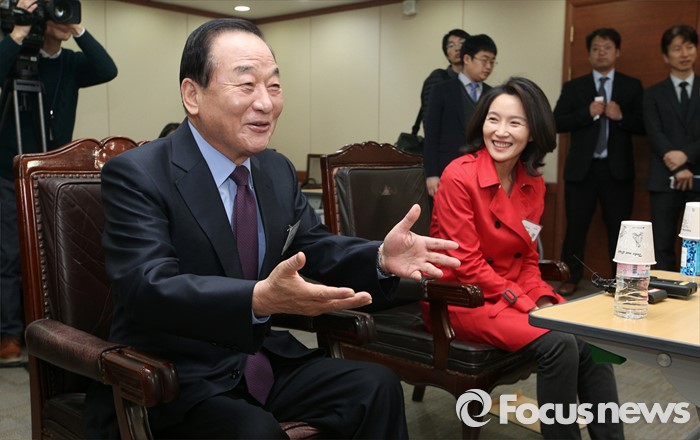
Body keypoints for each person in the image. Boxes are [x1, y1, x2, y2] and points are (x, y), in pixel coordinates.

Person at [83, 18, 460, 439]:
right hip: (171, 377)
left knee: (375, 387)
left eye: (274, 86)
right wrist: (257, 299)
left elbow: (313, 246)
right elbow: (147, 286)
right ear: (192, 95)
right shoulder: (138, 173)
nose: (266, 103)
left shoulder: (275, 169)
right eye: (246, 85)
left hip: (257, 358)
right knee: (254, 432)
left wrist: (379, 257)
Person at [423, 77, 624, 440]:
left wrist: (542, 298)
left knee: (593, 340)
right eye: (493, 119)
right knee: (560, 342)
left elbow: (528, 259)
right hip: (461, 300)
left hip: (508, 295)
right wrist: (526, 302)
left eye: (514, 122)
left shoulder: (532, 183)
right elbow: (467, 266)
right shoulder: (459, 176)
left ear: (533, 132)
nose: (500, 132)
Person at [0, 0, 117, 365]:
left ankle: (55, 327)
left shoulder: (71, 64)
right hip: (9, 171)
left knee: (54, 252)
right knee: (9, 256)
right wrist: (19, 31)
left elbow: (108, 68)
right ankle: (8, 333)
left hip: (54, 173)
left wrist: (77, 28)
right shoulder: (17, 55)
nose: (61, 16)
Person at [553, 28, 645, 295]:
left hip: (617, 171)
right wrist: (586, 113)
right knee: (576, 227)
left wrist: (621, 117)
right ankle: (570, 277)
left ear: (617, 52)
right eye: (595, 48)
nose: (601, 52)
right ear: (589, 54)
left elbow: (644, 126)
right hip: (582, 170)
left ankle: (622, 279)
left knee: (620, 229)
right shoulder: (574, 87)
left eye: (607, 48)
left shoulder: (631, 85)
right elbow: (556, 122)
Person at [644, 24, 700, 271]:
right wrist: (677, 166)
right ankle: (664, 290)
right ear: (666, 56)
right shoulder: (652, 94)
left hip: (698, 176)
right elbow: (654, 133)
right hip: (663, 180)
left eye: (689, 46)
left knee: (697, 244)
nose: (684, 53)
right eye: (677, 48)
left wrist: (686, 156)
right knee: (662, 245)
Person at [423, 34, 497, 197]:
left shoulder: (493, 94)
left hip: (483, 172)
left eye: (492, 62)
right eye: (484, 60)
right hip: (447, 169)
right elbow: (431, 135)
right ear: (467, 59)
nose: (488, 66)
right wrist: (431, 174)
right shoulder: (441, 90)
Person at [418, 28, 470, 130]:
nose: (457, 48)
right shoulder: (437, 79)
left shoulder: (475, 83)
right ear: (447, 55)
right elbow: (429, 122)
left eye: (462, 43)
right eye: (451, 45)